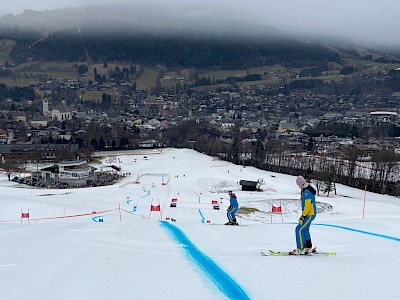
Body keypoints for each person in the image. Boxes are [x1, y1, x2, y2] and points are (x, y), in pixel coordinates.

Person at [290, 175, 317, 255]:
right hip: (310, 214)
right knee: (305, 230)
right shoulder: (306, 190)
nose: (298, 187)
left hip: (309, 214)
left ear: (301, 184)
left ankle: (301, 248)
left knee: (298, 229)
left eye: (298, 185)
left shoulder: (306, 192)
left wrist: (303, 216)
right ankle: (308, 247)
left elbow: (308, 206)